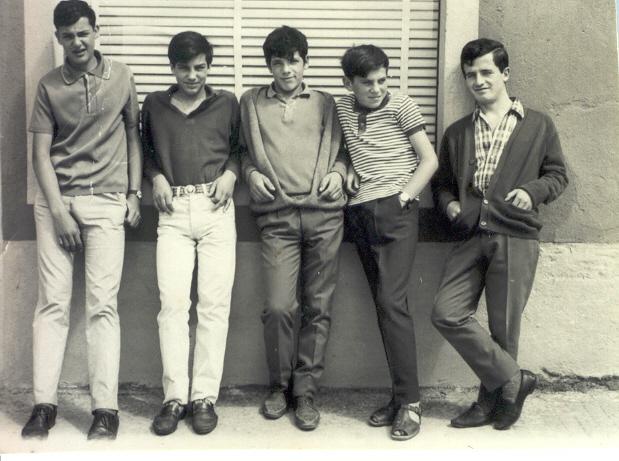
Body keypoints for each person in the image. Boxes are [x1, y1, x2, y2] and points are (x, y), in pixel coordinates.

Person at [431, 38, 568, 430]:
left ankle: (490, 403)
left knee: (504, 328)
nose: (478, 81)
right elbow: (441, 184)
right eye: (470, 74)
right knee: (445, 312)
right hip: (470, 236)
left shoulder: (538, 124)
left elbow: (557, 175)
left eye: (486, 72)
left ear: (504, 74)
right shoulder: (458, 132)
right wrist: (449, 204)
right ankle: (514, 381)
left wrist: (532, 191)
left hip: (515, 235)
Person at [21, 0, 142, 440]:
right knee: (52, 304)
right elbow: (40, 154)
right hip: (58, 203)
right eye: (68, 36)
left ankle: (105, 410)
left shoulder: (123, 76)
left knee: (102, 306)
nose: (77, 42)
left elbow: (133, 135)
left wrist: (133, 193)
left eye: (83, 33)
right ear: (58, 38)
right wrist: (58, 212)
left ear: (96, 31)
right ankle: (44, 405)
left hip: (107, 202)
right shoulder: (49, 85)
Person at [240, 25, 346, 431]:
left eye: (294, 61)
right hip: (277, 218)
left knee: (318, 306)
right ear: (269, 65)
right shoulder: (251, 102)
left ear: (306, 62)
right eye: (278, 62)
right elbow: (241, 152)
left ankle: (306, 392)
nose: (287, 70)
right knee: (279, 306)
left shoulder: (325, 102)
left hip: (325, 216)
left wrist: (338, 172)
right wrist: (251, 174)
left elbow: (346, 150)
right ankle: (279, 386)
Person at [336, 44, 438, 441]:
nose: (377, 89)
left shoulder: (402, 105)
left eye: (382, 80)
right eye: (367, 83)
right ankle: (399, 398)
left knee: (392, 303)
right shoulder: (342, 109)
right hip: (360, 212)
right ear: (349, 83)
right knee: (384, 305)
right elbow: (345, 148)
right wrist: (346, 167)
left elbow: (429, 159)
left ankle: (411, 404)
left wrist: (404, 196)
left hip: (396, 210)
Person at [141, 31, 239, 436]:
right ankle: (174, 397)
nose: (193, 75)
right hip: (173, 211)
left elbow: (240, 149)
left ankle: (203, 398)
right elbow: (144, 150)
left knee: (214, 306)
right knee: (173, 305)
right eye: (184, 68)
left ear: (209, 66)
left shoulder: (226, 103)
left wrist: (231, 174)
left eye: (200, 67)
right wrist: (156, 177)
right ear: (172, 68)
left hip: (216, 209)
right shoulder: (154, 104)